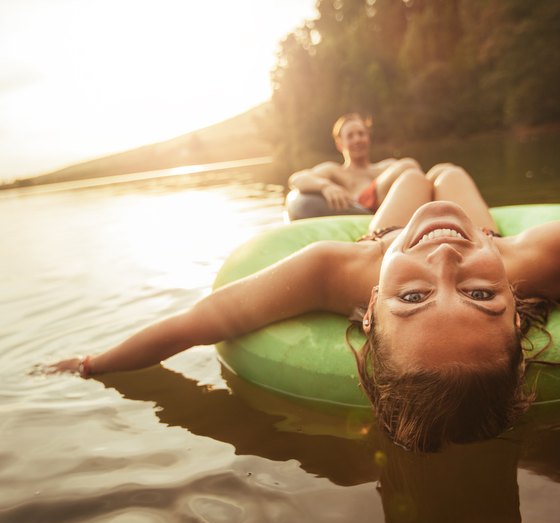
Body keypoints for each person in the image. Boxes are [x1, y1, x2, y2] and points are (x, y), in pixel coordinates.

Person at [52, 164, 560, 452]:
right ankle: (381, 178)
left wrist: (92, 364)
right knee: (445, 172)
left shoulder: (333, 271)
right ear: (516, 310)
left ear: (371, 311)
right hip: (488, 239)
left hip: (387, 240)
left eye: (413, 298)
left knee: (412, 174)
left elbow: (195, 325)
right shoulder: (536, 257)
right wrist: (481, 248)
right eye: (479, 295)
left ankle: (386, 182)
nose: (445, 259)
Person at [285, 113, 420, 220]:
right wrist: (326, 186)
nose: (357, 139)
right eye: (350, 136)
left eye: (361, 134)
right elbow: (297, 179)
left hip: (396, 206)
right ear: (340, 144)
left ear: (368, 138)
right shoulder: (334, 171)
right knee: (408, 166)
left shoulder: (386, 166)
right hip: (363, 209)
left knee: (439, 172)